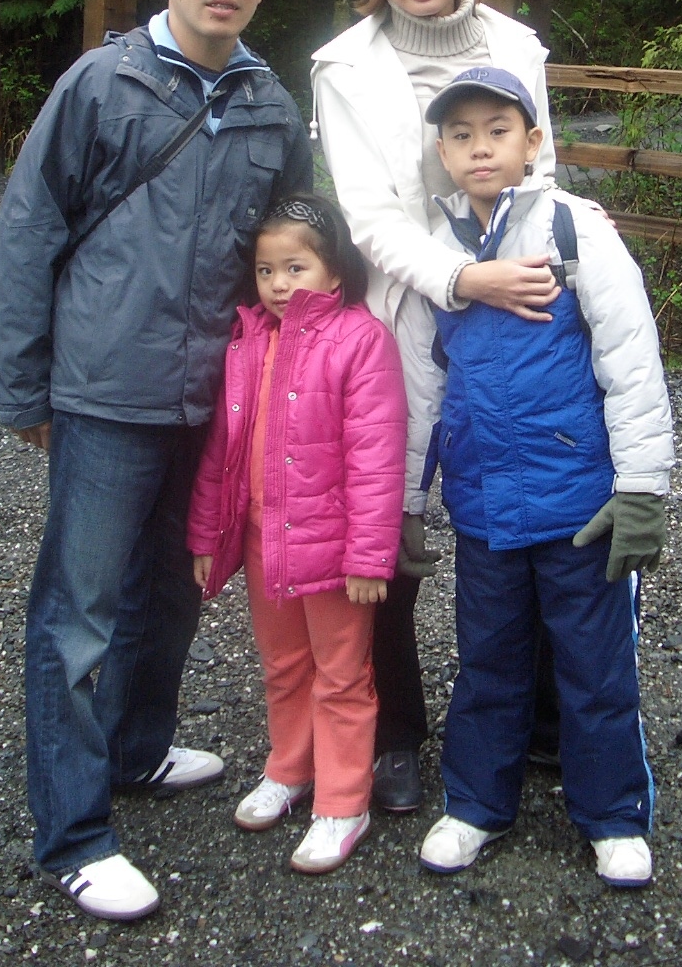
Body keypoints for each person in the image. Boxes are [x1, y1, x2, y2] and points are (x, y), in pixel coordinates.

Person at [0, 0, 313, 922]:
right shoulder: (103, 83)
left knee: (175, 587)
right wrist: (25, 382)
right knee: (77, 614)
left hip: (213, 396)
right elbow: (30, 228)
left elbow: (291, 249)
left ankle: (134, 748)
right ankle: (75, 835)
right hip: (105, 390)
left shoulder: (271, 105)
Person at [311, 0, 564, 813]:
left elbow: (541, 167)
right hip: (399, 311)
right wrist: (463, 277)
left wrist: (530, 267)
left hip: (513, 304)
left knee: (529, 503)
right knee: (388, 521)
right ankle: (392, 733)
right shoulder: (342, 65)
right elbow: (369, 218)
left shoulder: (516, 48)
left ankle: (541, 716)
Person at [414, 66, 674, 886]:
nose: (479, 148)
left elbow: (632, 361)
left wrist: (642, 490)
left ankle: (614, 816)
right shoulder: (435, 249)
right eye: (461, 135)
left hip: (579, 507)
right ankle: (475, 805)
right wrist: (409, 499)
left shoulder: (573, 229)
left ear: (532, 143)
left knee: (595, 667)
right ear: (443, 152)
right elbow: (422, 383)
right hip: (483, 508)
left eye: (497, 131)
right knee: (487, 661)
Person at [188, 195, 406, 874]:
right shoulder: (249, 339)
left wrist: (369, 556)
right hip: (264, 539)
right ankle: (289, 768)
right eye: (266, 270)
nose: (279, 284)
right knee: (283, 664)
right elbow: (222, 449)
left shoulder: (361, 340)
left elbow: (377, 459)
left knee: (341, 674)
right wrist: (207, 536)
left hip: (334, 549)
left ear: (335, 271)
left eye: (295, 268)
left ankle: (343, 800)